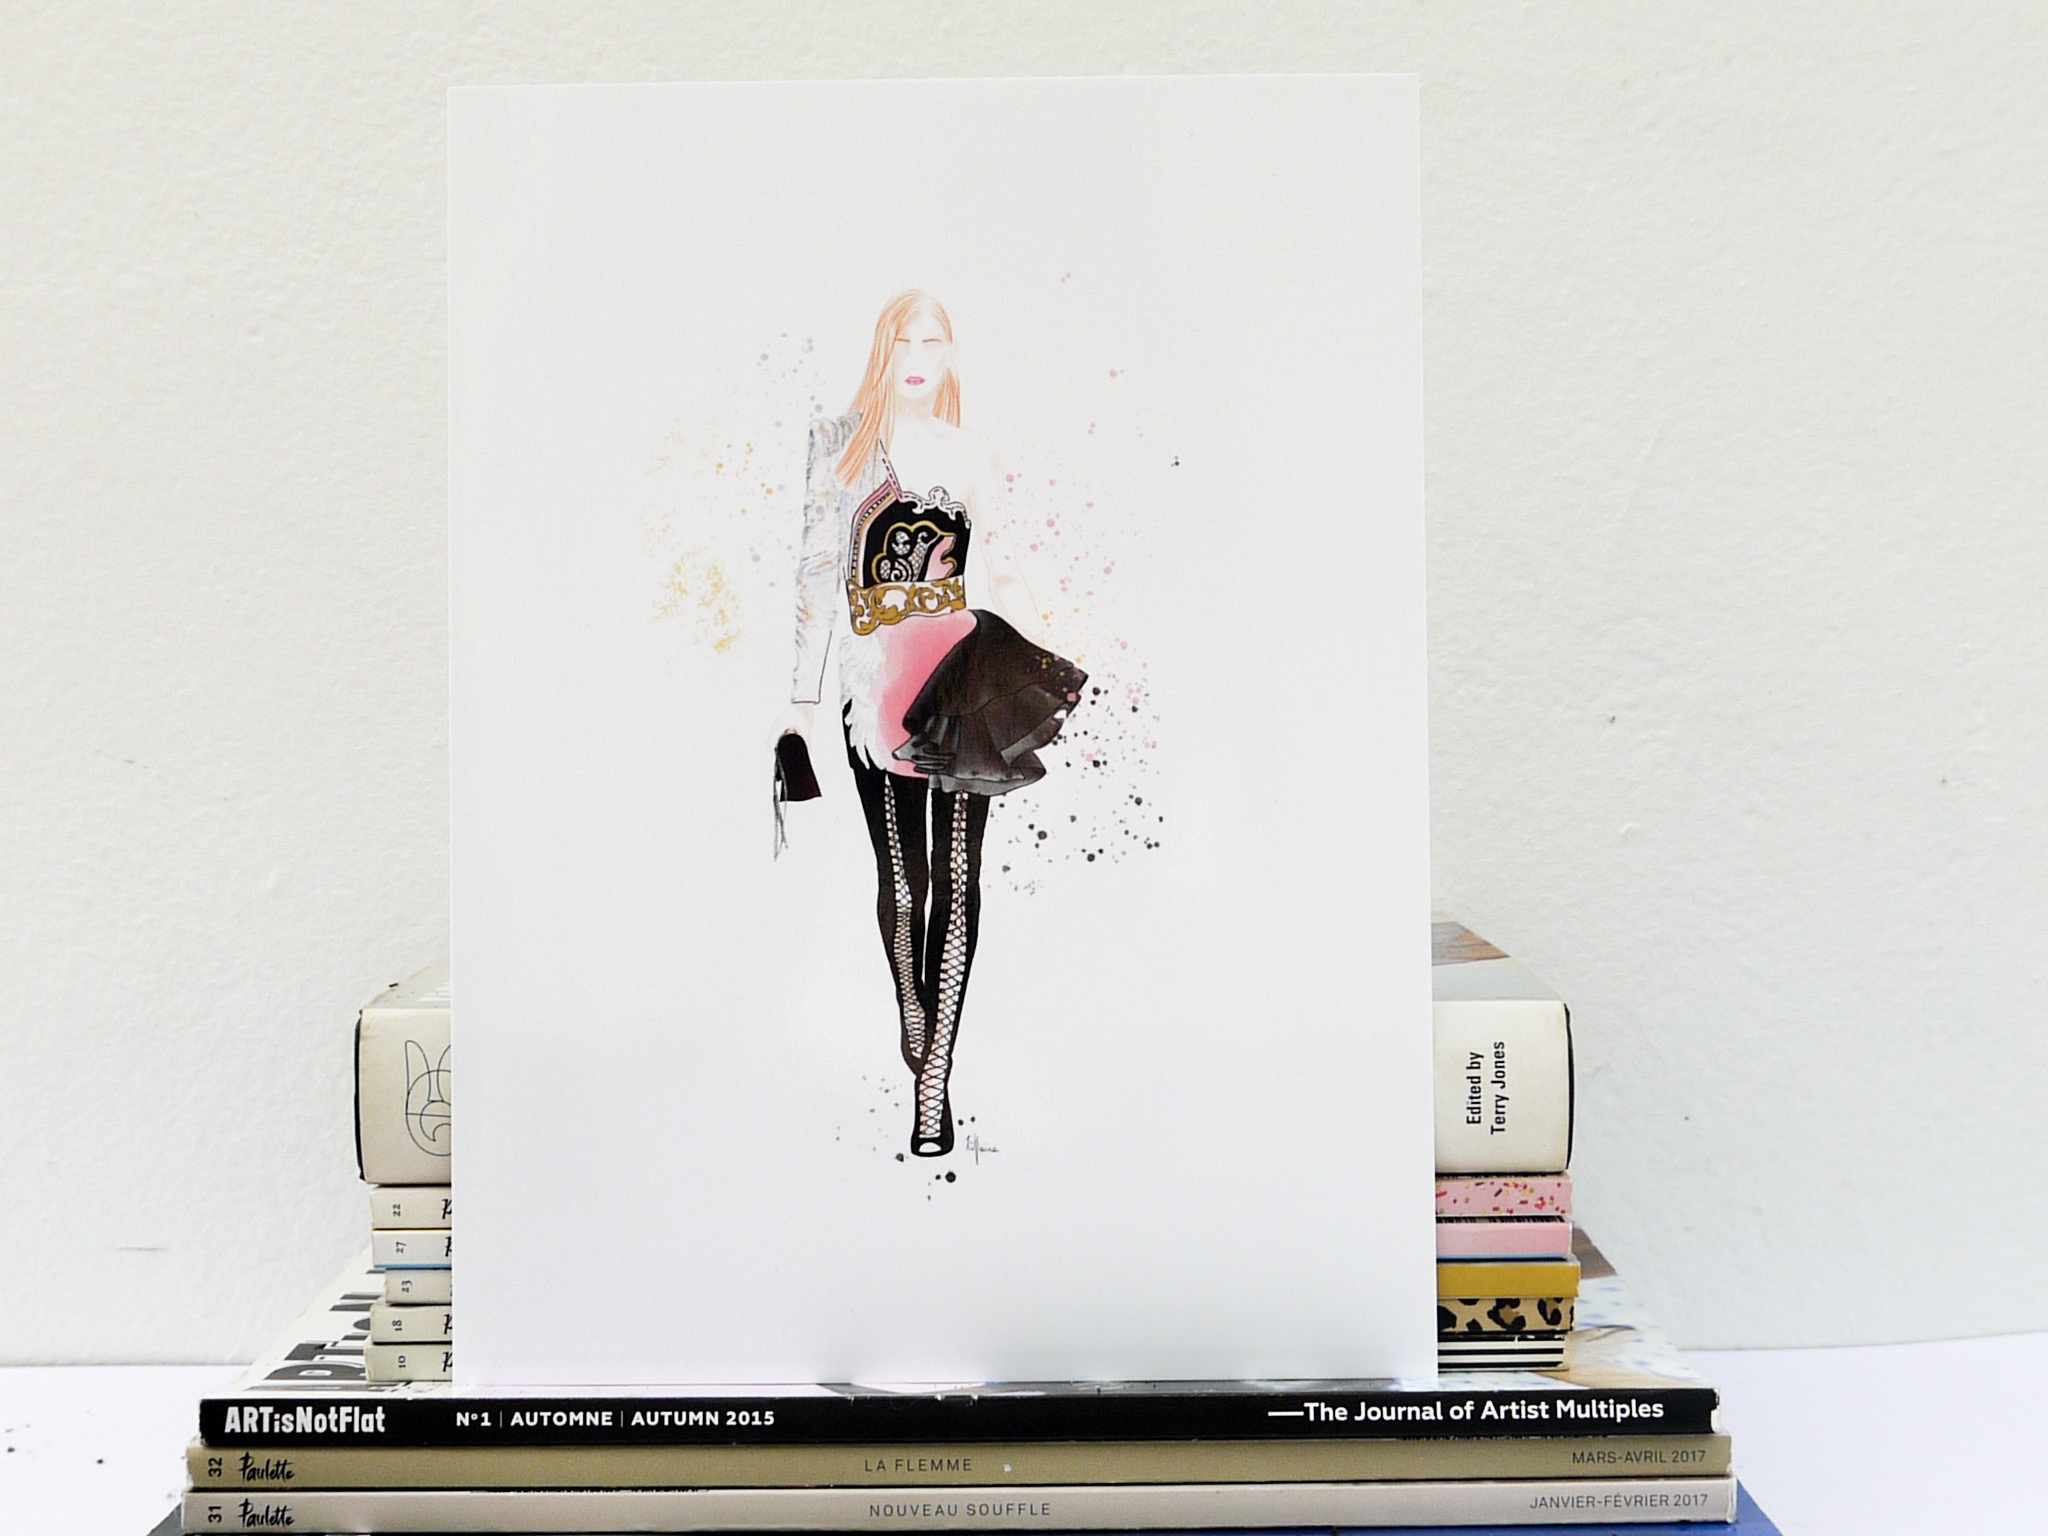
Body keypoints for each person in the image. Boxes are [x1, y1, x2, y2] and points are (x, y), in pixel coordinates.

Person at [783, 291, 1086, 1157]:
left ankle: (933, 1080)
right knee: (904, 876)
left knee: (958, 876)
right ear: (882, 349)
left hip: (958, 674)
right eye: (904, 341)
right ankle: (915, 1023)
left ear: (951, 353)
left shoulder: (969, 451)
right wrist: (801, 701)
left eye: (933, 342)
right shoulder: (839, 445)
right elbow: (814, 576)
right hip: (874, 678)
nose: (918, 357)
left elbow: (1008, 561)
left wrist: (1045, 658)